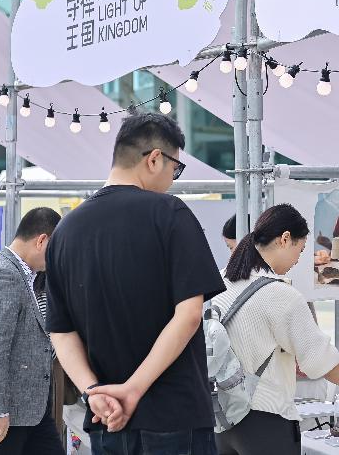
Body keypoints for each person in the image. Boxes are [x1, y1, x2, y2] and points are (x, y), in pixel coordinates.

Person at [45, 113, 226, 454]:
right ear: (154, 159)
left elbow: (61, 332)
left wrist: (92, 391)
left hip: (106, 419)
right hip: (174, 414)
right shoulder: (170, 214)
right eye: (175, 168)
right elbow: (189, 315)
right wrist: (133, 389)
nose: (173, 179)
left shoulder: (64, 232)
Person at [213, 203, 339, 455]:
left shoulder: (220, 281)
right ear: (285, 239)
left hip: (222, 420)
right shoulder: (280, 294)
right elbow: (322, 363)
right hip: (266, 421)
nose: (297, 261)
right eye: (300, 250)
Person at [0, 207, 66, 454]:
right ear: (42, 241)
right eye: (56, 250)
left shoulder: (25, 274)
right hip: (3, 413)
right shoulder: (5, 275)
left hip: (30, 410)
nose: (56, 260)